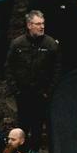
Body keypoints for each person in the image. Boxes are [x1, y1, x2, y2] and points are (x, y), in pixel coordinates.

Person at [7, 10, 60, 145]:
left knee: (37, 129)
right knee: (22, 128)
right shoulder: (17, 44)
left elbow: (57, 70)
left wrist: (48, 92)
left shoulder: (51, 44)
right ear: (29, 25)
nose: (42, 27)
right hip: (22, 94)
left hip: (41, 95)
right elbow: (8, 68)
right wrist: (15, 89)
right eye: (38, 24)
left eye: (43, 23)